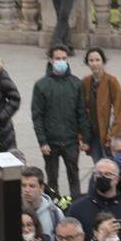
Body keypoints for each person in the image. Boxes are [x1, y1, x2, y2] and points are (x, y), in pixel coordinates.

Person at [30, 46, 88, 201]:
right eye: (58, 58)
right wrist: (42, 141)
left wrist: (85, 138)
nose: (61, 61)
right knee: (52, 178)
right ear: (51, 60)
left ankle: (76, 205)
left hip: (71, 141)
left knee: (74, 176)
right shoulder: (41, 85)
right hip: (51, 142)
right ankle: (54, 205)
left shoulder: (76, 84)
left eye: (64, 58)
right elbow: (37, 116)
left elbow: (81, 113)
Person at [82, 46, 121, 163]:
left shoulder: (112, 81)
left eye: (97, 60)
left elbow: (119, 111)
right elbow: (81, 109)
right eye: (91, 61)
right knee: (98, 166)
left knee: (111, 166)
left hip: (109, 134)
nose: (94, 64)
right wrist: (82, 136)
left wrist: (112, 136)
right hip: (94, 134)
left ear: (103, 62)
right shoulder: (85, 82)